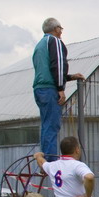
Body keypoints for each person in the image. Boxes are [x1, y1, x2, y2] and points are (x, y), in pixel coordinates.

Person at [33, 18, 84, 160]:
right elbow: (58, 65)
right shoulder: (54, 41)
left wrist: (70, 77)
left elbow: (47, 70)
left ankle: (45, 158)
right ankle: (51, 160)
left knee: (46, 125)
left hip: (40, 88)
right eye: (60, 29)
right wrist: (60, 88)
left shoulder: (40, 45)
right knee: (53, 126)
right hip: (50, 89)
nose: (61, 32)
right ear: (56, 29)